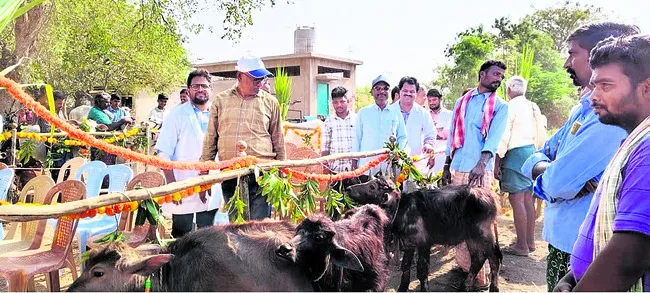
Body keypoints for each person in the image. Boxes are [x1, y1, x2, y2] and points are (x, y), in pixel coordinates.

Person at [520, 22, 639, 291]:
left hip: (584, 247)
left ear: (600, 54)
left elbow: (556, 183)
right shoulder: (583, 109)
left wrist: (546, 170)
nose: (566, 63)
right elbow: (539, 153)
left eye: (573, 53)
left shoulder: (608, 117)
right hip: (566, 240)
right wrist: (545, 167)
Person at [553, 34, 650, 292]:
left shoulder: (648, 149)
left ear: (647, 88)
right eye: (594, 86)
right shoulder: (633, 142)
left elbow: (629, 257)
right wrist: (572, 277)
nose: (593, 96)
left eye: (605, 86)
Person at [442, 59, 509, 289]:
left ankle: (480, 278)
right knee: (458, 221)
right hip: (458, 166)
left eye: (501, 76)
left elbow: (494, 138)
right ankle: (464, 269)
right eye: (495, 74)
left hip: (479, 171)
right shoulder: (463, 101)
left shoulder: (500, 106)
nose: (498, 79)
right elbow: (452, 134)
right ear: (482, 74)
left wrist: (481, 163)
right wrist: (446, 164)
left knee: (479, 226)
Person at [200, 55, 285, 220]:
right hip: (230, 174)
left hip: (263, 175)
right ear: (240, 76)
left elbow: (278, 139)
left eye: (262, 78)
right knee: (237, 227)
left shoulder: (271, 102)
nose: (260, 83)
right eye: (255, 79)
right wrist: (204, 174)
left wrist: (282, 173)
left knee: (259, 228)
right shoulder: (220, 101)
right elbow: (211, 138)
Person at [155, 69, 218, 238]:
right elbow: (163, 152)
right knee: (182, 235)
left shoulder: (218, 113)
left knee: (207, 235)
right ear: (188, 90)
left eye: (204, 86)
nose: (200, 89)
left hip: (210, 181)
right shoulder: (176, 114)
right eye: (195, 86)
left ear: (211, 89)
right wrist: (172, 184)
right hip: (182, 183)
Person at [496, 76, 546, 257]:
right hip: (532, 153)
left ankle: (521, 245)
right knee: (527, 200)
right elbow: (541, 133)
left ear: (508, 90)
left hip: (515, 154)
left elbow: (503, 136)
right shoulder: (533, 106)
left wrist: (497, 159)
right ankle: (530, 242)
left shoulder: (509, 107)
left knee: (516, 201)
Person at [352, 75, 408, 177]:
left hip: (388, 168)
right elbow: (357, 138)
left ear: (389, 91)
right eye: (378, 88)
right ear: (372, 92)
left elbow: (402, 137)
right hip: (366, 168)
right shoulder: (363, 112)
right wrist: (354, 162)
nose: (381, 91)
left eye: (385, 88)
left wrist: (398, 152)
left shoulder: (396, 113)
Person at [388, 76, 436, 173]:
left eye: (412, 91)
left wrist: (429, 145)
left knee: (415, 188)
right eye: (405, 90)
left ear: (416, 93)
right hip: (390, 164)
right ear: (400, 91)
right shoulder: (388, 111)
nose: (408, 94)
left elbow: (430, 134)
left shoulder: (423, 113)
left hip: (416, 164)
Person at [427, 88, 453, 174]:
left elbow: (445, 134)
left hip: (443, 154)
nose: (431, 102)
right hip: (427, 153)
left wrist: (431, 131)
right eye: (429, 100)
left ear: (440, 99)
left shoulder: (449, 114)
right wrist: (438, 129)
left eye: (434, 100)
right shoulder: (425, 114)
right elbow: (422, 134)